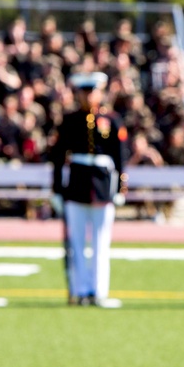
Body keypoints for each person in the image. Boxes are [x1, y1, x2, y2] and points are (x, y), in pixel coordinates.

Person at [49, 71, 127, 306]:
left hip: (103, 187)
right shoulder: (70, 120)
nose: (88, 96)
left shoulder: (112, 120)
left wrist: (121, 188)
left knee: (101, 243)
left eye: (92, 91)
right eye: (84, 91)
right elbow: (58, 156)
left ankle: (98, 291)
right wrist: (56, 190)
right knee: (78, 244)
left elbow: (120, 157)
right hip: (76, 186)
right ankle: (80, 290)